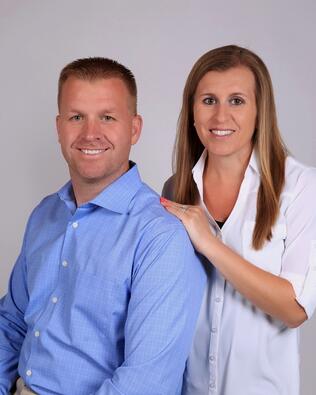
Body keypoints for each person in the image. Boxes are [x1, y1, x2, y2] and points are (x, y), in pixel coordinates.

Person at [0, 57, 206, 395]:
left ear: (135, 128)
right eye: (76, 117)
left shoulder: (160, 236)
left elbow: (146, 383)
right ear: (59, 127)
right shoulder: (44, 215)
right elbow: (10, 324)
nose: (90, 133)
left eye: (107, 117)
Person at [160, 45, 316, 395]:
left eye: (237, 101)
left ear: (261, 110)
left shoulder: (302, 187)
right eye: (209, 100)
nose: (220, 117)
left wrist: (209, 244)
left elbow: (294, 308)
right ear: (191, 110)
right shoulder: (176, 189)